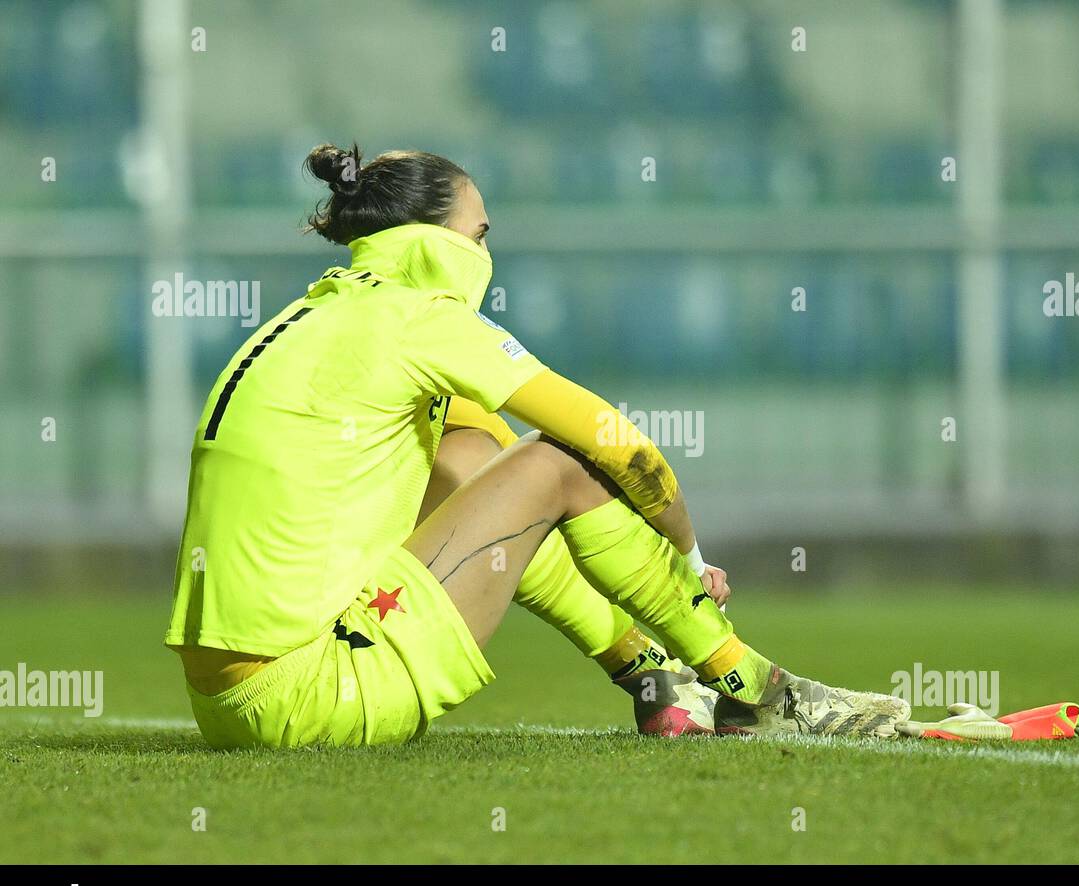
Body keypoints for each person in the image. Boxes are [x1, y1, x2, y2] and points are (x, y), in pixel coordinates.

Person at [163, 143, 909, 748]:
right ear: (439, 243)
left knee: (467, 453)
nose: (488, 253)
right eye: (481, 234)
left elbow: (482, 462)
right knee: (558, 460)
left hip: (228, 705)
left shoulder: (311, 320)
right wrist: (687, 554)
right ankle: (754, 687)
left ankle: (653, 681)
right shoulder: (419, 318)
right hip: (319, 692)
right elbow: (615, 443)